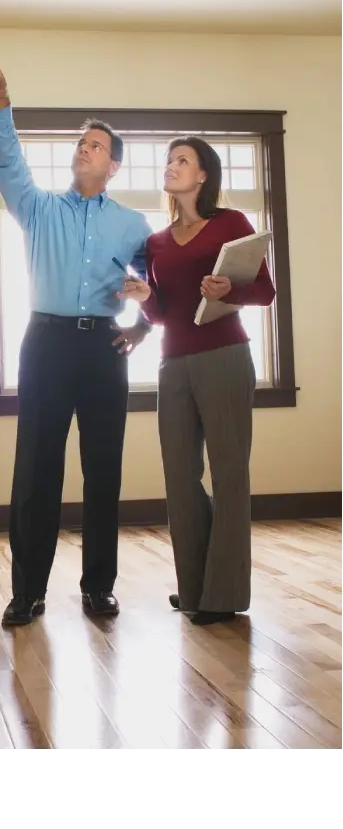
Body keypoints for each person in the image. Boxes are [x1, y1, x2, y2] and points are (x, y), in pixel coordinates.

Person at [0, 49, 153, 625]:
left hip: (103, 348)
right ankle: (28, 592)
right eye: (81, 142)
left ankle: (98, 587)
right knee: (36, 471)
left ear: (114, 166)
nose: (83, 148)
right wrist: (1, 105)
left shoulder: (134, 225)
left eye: (95, 144)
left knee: (103, 470)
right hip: (45, 345)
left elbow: (156, 285)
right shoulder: (40, 208)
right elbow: (8, 167)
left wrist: (141, 325)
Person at [118, 136, 276, 626]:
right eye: (169, 160)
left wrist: (232, 288)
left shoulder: (231, 224)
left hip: (225, 355)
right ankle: (195, 588)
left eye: (182, 160)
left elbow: (266, 292)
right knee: (180, 477)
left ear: (203, 174)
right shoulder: (157, 243)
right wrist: (145, 298)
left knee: (230, 476)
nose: (171, 166)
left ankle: (223, 595)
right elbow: (164, 313)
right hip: (174, 363)